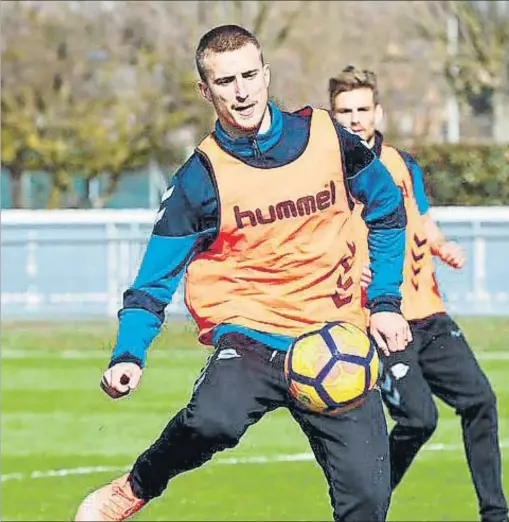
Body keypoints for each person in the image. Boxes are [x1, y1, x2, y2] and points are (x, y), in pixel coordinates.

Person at [74, 27, 413, 522]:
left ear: (266, 74)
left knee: (367, 501)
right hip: (251, 334)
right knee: (213, 420)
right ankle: (137, 486)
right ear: (204, 90)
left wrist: (384, 301)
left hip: (336, 336)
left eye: (250, 75)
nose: (242, 91)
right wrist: (130, 352)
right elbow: (153, 281)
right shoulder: (199, 178)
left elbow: (386, 208)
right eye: (226, 81)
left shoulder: (325, 136)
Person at [329, 65, 509, 522]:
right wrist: (348, 267)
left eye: (361, 109)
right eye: (344, 110)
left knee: (481, 402)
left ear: (378, 111)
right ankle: (366, 508)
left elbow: (421, 217)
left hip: (429, 314)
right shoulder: (326, 173)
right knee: (418, 419)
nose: (354, 118)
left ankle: (496, 515)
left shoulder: (402, 164)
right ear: (332, 115)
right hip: (380, 322)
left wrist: (441, 243)